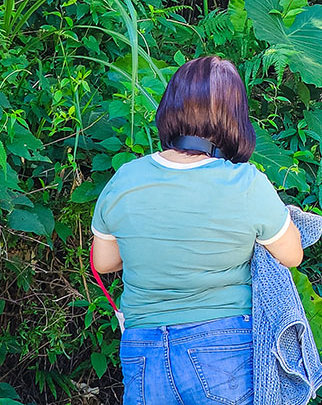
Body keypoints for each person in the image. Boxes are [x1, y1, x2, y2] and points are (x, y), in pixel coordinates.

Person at [90, 56, 303, 405]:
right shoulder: (245, 183)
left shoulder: (124, 179)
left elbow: (104, 262)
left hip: (144, 350)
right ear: (235, 118)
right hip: (223, 347)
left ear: (170, 107)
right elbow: (292, 255)